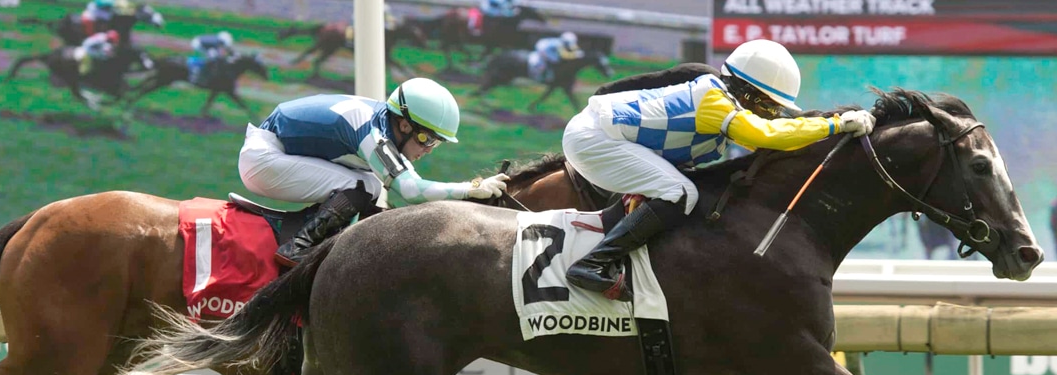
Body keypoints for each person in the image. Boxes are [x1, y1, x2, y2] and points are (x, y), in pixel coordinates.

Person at [560, 39, 876, 300]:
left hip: (604, 136)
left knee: (679, 189)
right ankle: (592, 264)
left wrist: (827, 126)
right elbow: (767, 135)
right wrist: (836, 124)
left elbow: (778, 134)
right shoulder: (714, 102)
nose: (773, 114)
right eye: (769, 105)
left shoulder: (721, 100)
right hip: (594, 140)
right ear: (747, 93)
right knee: (681, 192)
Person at [238, 77, 511, 267]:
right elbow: (411, 190)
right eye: (427, 139)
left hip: (275, 151)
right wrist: (471, 188)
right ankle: (298, 246)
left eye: (436, 143)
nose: (428, 150)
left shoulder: (384, 124)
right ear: (405, 125)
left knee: (371, 184)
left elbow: (408, 188)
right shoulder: (374, 135)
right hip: (263, 159)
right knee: (363, 185)